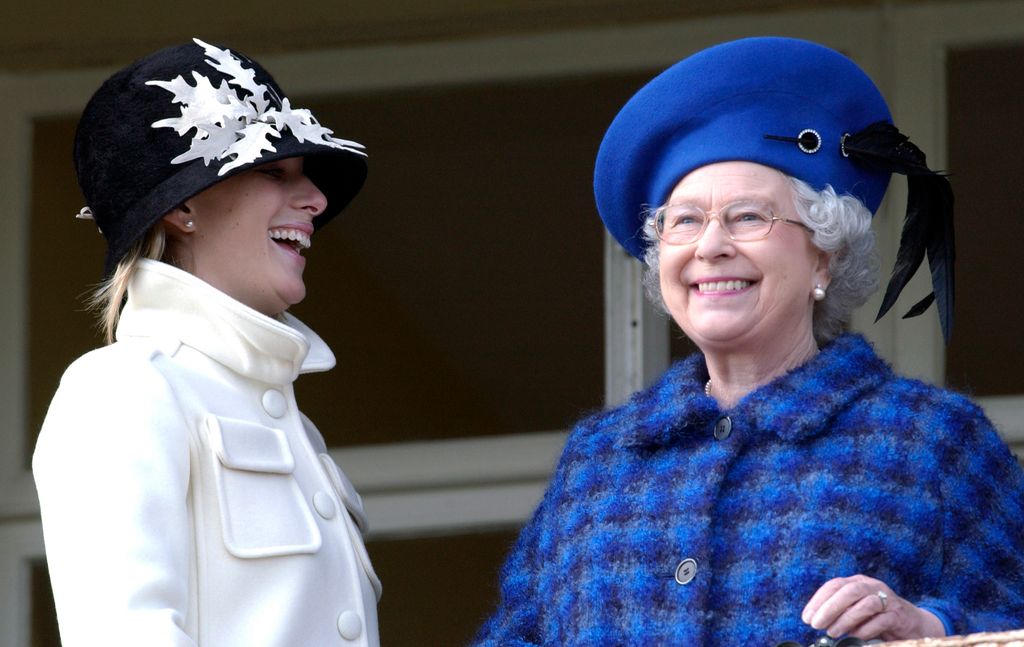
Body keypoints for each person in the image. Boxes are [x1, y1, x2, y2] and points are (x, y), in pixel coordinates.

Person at [473, 37, 1024, 646]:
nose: (710, 246)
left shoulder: (932, 440)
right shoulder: (598, 463)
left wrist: (930, 627)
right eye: (683, 221)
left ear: (824, 257)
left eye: (748, 217)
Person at [33, 38, 381, 646]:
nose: (316, 201)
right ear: (182, 207)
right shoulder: (123, 389)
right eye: (274, 171)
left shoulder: (295, 428)